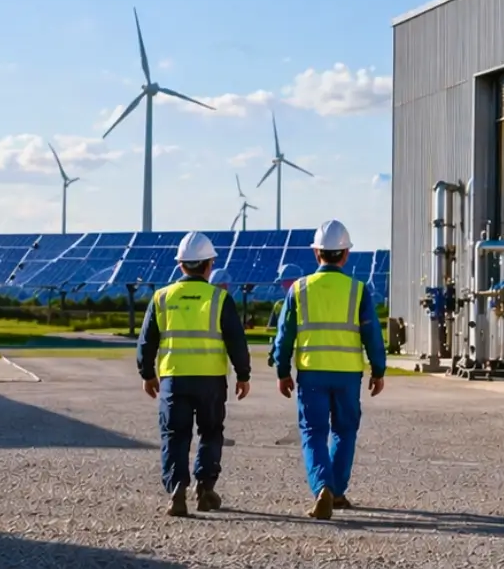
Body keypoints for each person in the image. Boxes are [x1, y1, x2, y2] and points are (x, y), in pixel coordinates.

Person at [271, 219, 386, 520]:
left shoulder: (299, 289)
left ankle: (323, 485)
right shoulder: (358, 291)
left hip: (311, 374)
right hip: (348, 374)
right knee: (345, 431)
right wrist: (379, 369)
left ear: (316, 253)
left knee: (313, 432)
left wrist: (282, 371)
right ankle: (335, 490)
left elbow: (285, 335)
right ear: (346, 254)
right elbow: (372, 334)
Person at [136, 231, 252, 518]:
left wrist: (147, 373)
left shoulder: (162, 298)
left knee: (175, 435)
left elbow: (147, 341)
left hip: (174, 379)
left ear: (181, 265)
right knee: (211, 433)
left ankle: (177, 489)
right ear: (209, 265)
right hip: (211, 381)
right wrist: (243, 374)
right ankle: (205, 487)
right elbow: (236, 340)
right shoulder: (220, 299)